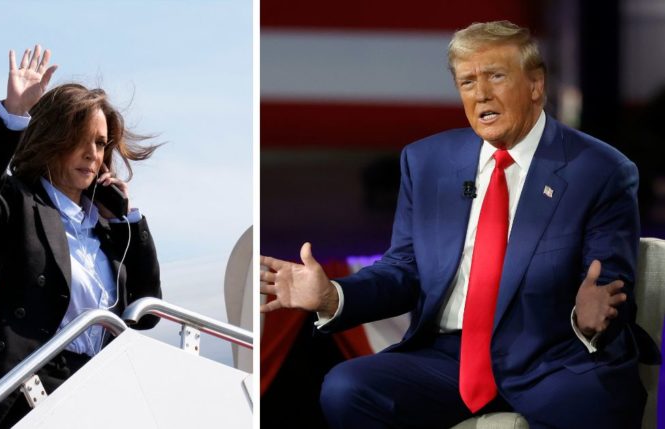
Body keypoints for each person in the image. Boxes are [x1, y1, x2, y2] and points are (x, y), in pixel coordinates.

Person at [260, 21, 658, 428]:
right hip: (450, 356)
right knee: (348, 388)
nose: (481, 93)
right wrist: (332, 296)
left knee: (594, 404)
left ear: (536, 85)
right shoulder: (427, 162)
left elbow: (608, 279)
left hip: (552, 356)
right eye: (467, 82)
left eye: (496, 77)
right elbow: (404, 269)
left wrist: (589, 316)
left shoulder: (599, 170)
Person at [0, 45, 162, 428]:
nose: (92, 153)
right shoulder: (20, 204)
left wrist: (126, 220)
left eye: (100, 143)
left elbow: (147, 311)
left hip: (97, 390)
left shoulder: (109, 230)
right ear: (53, 138)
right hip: (22, 391)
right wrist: (12, 115)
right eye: (80, 138)